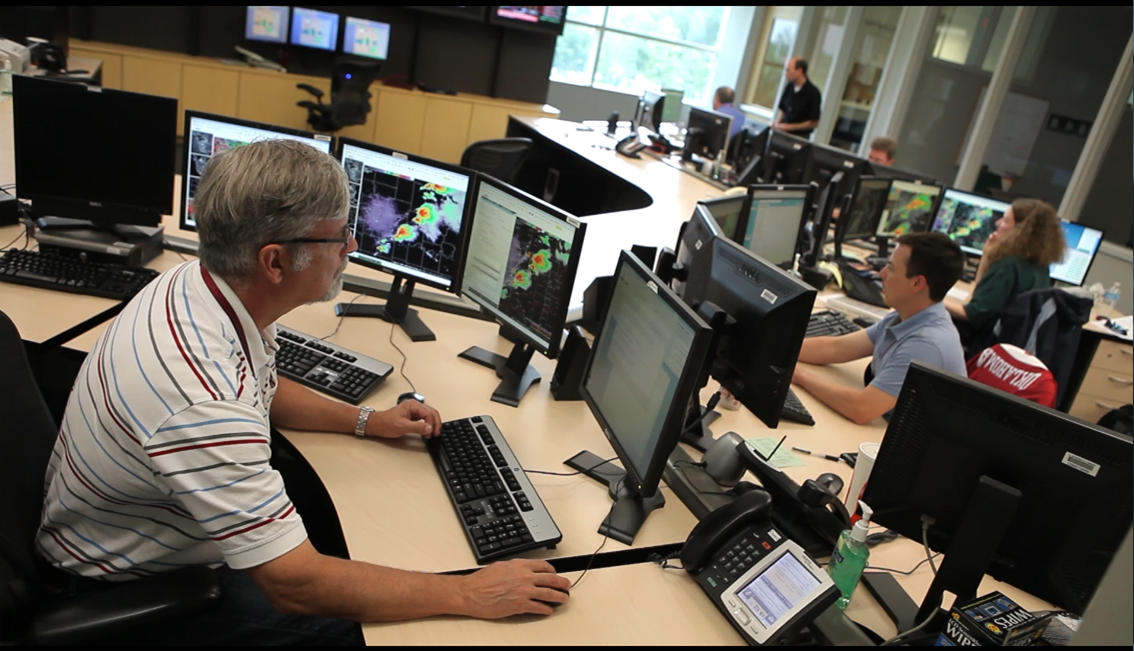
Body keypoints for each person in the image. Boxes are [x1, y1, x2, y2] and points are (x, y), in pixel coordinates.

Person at [35, 140, 571, 645]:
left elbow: (259, 391)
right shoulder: (199, 399)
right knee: (380, 635)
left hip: (138, 534)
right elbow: (294, 585)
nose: (352, 247)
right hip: (132, 587)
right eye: (337, 237)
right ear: (274, 261)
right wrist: (466, 591)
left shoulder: (200, 286)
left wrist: (367, 421)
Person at [792, 232, 967, 424]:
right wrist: (779, 347)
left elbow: (861, 409)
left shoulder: (926, 344)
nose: (881, 273)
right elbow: (836, 348)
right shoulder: (909, 314)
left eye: (891, 268)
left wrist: (800, 376)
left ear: (917, 283)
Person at [945, 198, 1066, 344]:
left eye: (1005, 221)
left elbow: (974, 314)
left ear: (1020, 231)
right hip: (1007, 343)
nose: (997, 223)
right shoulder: (1040, 267)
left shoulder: (1008, 266)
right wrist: (986, 256)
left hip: (983, 343)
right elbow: (980, 297)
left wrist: (933, 303)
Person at [772, 57, 821, 139]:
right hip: (782, 132)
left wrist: (789, 127)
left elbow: (813, 122)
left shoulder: (813, 93)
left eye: (788, 70)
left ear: (799, 71)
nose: (786, 73)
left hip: (799, 137)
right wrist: (778, 123)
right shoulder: (789, 87)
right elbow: (783, 109)